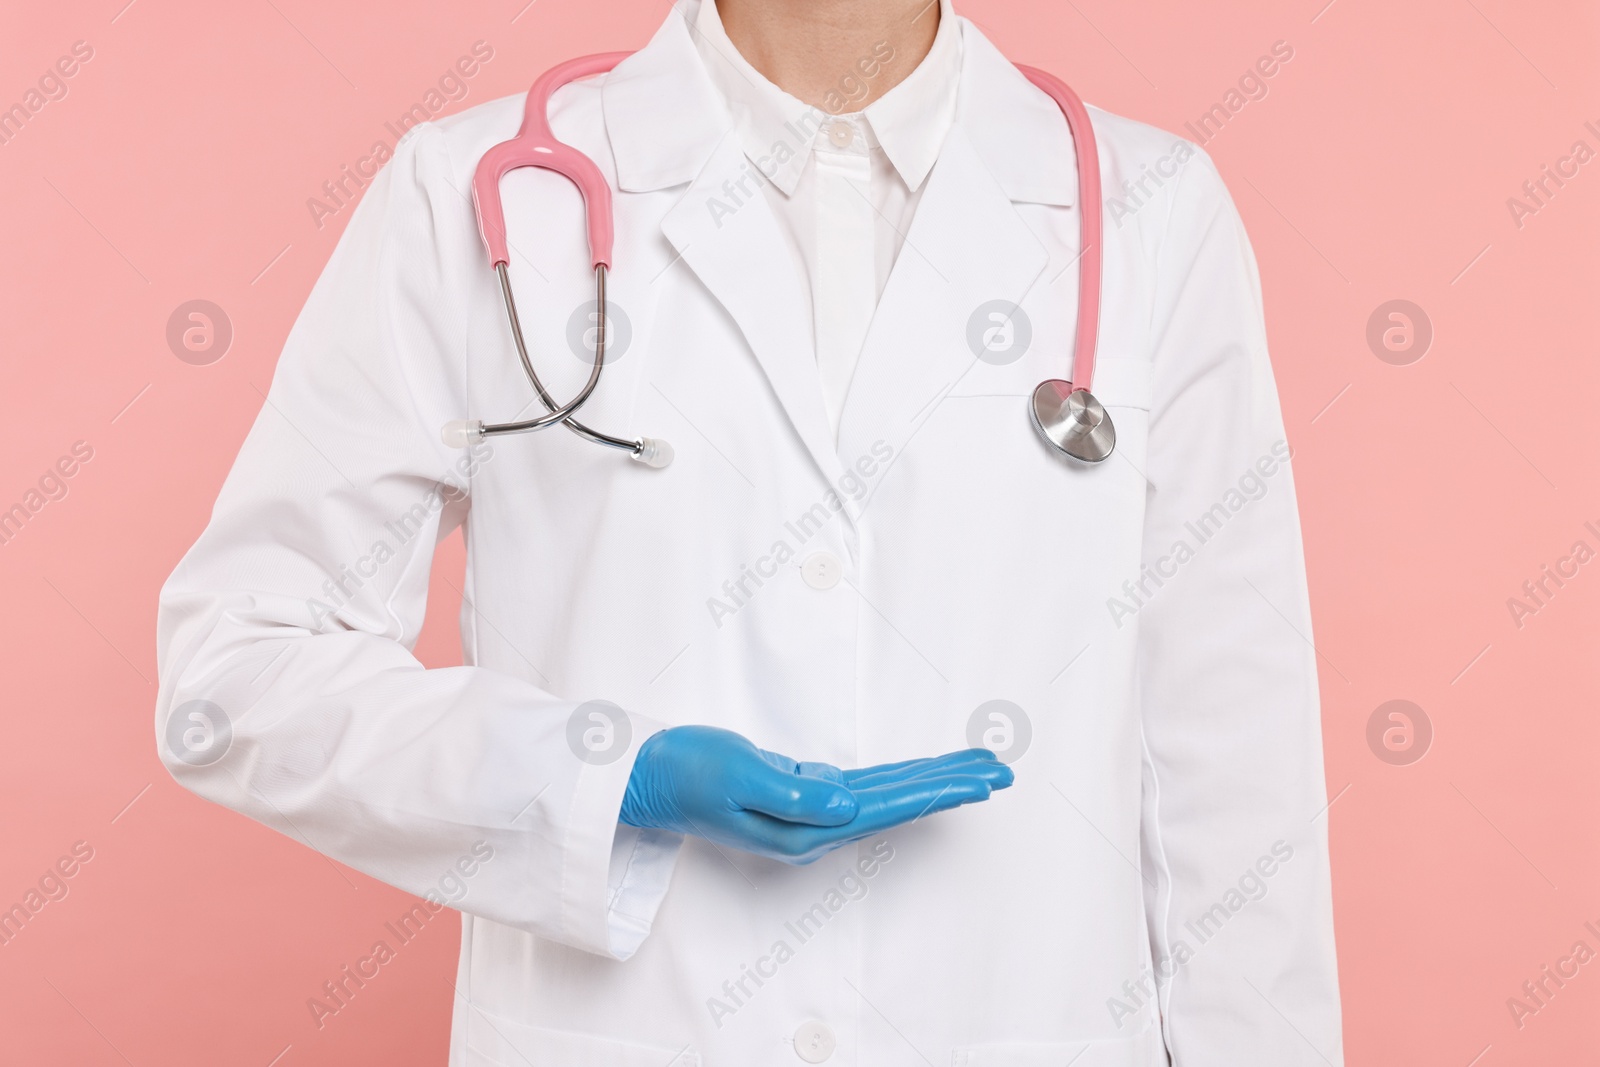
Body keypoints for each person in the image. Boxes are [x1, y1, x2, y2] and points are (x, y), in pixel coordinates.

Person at [155, 0, 1343, 1062]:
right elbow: (236, 668)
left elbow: (1233, 757)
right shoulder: (474, 196)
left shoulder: (1149, 213)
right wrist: (608, 778)